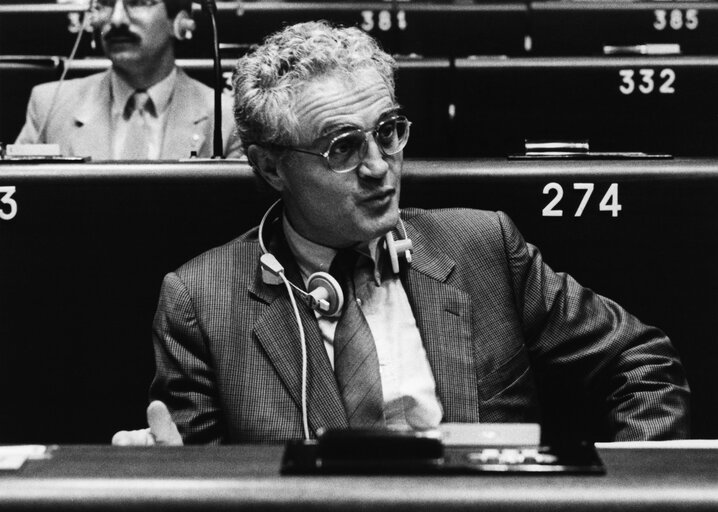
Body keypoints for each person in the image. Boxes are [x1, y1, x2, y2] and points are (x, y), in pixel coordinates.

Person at [113, 21, 690, 446]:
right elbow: (203, 474)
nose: (379, 166)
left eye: (388, 131)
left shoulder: (483, 247)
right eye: (343, 147)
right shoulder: (200, 300)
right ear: (270, 168)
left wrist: (618, 492)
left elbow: (640, 361)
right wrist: (172, 474)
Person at [15, 0, 242, 160]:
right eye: (105, 3)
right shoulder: (49, 105)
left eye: (138, 2)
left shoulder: (226, 118)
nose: (117, 20)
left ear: (180, 22)